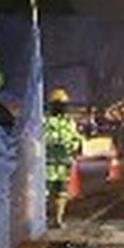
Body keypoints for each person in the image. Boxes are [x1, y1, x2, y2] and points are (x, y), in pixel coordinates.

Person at [44, 88, 83, 227]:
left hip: (63, 164)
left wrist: (74, 146)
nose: (61, 107)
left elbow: (76, 139)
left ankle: (58, 219)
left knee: (61, 193)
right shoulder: (45, 122)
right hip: (48, 164)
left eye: (63, 104)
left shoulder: (69, 122)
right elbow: (42, 139)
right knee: (46, 193)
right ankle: (43, 219)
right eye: (58, 104)